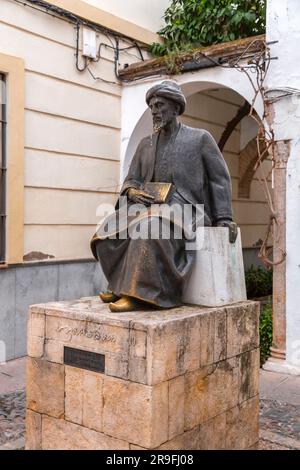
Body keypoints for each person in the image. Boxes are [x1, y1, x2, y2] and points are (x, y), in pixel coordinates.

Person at [91, 81, 236, 312]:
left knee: (150, 229)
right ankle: (119, 285)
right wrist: (132, 191)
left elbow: (219, 179)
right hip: (149, 205)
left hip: (188, 208)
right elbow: (132, 179)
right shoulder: (145, 144)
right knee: (107, 231)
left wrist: (224, 217)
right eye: (151, 106)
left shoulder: (200, 139)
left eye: (160, 105)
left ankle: (140, 294)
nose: (155, 110)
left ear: (176, 108)